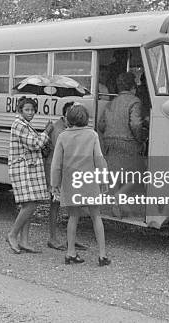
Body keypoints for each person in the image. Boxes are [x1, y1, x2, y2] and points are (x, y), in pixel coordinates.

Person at [51, 103, 110, 266]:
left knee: (73, 217)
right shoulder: (92, 135)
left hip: (71, 181)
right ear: (86, 119)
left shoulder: (63, 136)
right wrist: (103, 179)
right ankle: (102, 255)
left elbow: (56, 164)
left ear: (68, 119)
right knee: (96, 216)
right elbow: (99, 159)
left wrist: (54, 184)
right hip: (89, 180)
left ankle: (70, 252)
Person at [6, 97, 53, 254]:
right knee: (30, 205)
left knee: (28, 205)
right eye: (27, 110)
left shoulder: (25, 124)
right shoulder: (19, 124)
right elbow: (35, 144)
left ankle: (24, 241)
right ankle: (13, 234)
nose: (30, 112)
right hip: (22, 169)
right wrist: (46, 132)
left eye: (32, 110)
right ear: (20, 110)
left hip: (27, 169)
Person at [97, 72, 149, 216]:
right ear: (133, 87)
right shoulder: (135, 101)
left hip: (110, 143)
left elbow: (101, 125)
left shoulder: (111, 102)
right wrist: (141, 138)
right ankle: (119, 198)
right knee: (138, 175)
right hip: (128, 144)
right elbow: (136, 124)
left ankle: (118, 207)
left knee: (116, 177)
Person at [43, 101, 87, 252]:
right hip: (56, 169)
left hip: (67, 169)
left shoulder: (69, 128)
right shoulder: (58, 130)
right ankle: (52, 238)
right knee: (55, 203)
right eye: (72, 114)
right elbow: (60, 154)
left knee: (71, 205)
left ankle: (71, 239)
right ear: (65, 114)